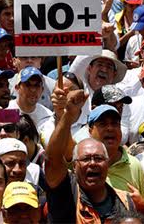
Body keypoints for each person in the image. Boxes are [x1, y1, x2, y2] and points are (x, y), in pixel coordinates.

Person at [46, 88, 134, 223]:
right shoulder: (66, 191)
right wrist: (67, 116)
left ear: (107, 163)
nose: (92, 163)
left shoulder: (125, 201)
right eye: (86, 159)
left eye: (99, 158)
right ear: (74, 165)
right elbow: (52, 159)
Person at [7, 66, 55, 144]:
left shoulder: (47, 115)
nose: (33, 90)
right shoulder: (5, 110)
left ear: (42, 90)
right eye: (28, 85)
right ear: (17, 88)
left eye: (37, 85)